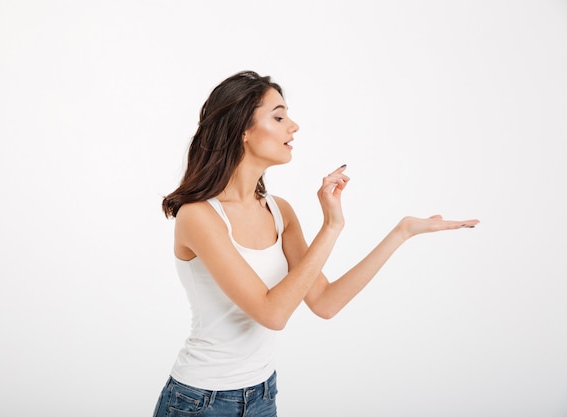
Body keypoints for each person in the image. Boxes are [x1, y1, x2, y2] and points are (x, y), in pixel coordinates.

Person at [153, 70, 479, 417]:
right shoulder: (199, 216)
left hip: (262, 393)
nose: (293, 126)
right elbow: (272, 313)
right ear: (243, 131)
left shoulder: (280, 211)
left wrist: (400, 232)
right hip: (201, 401)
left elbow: (325, 302)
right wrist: (328, 228)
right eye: (278, 116)